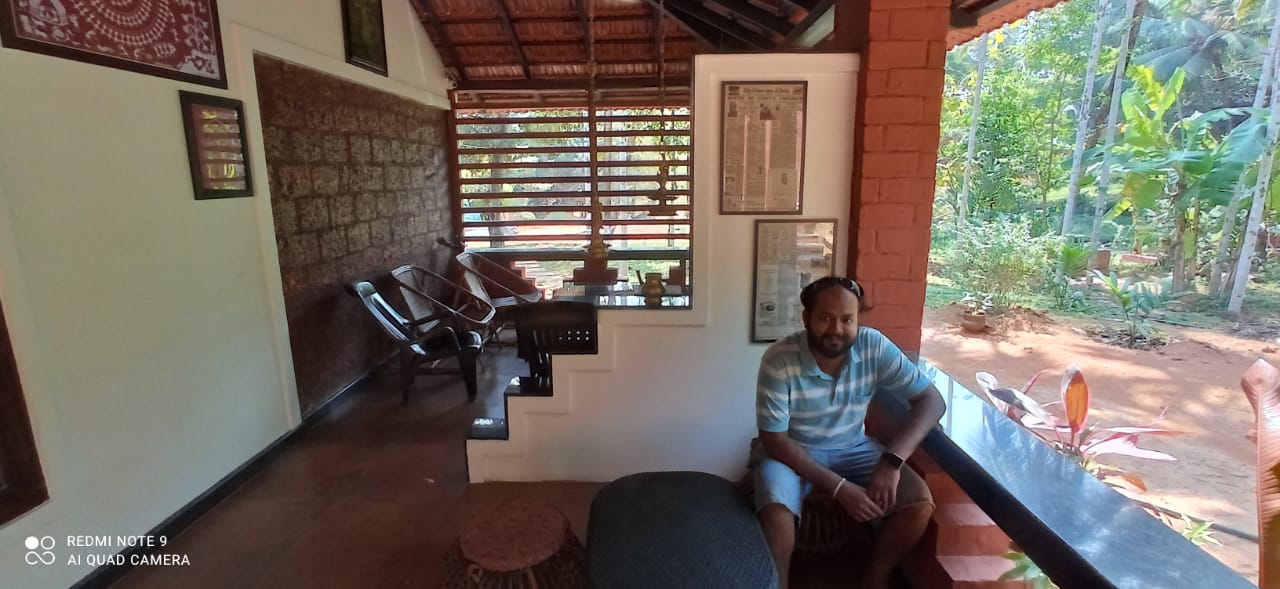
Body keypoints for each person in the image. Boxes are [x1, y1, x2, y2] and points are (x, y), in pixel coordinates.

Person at [750, 276, 946, 589]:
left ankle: (874, 579)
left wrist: (892, 461)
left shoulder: (874, 346)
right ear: (807, 318)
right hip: (792, 450)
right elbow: (774, 440)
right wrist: (839, 488)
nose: (836, 329)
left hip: (854, 447)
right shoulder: (779, 359)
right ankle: (780, 584)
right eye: (825, 318)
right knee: (776, 510)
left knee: (918, 502)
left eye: (847, 319)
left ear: (857, 320)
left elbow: (932, 401)